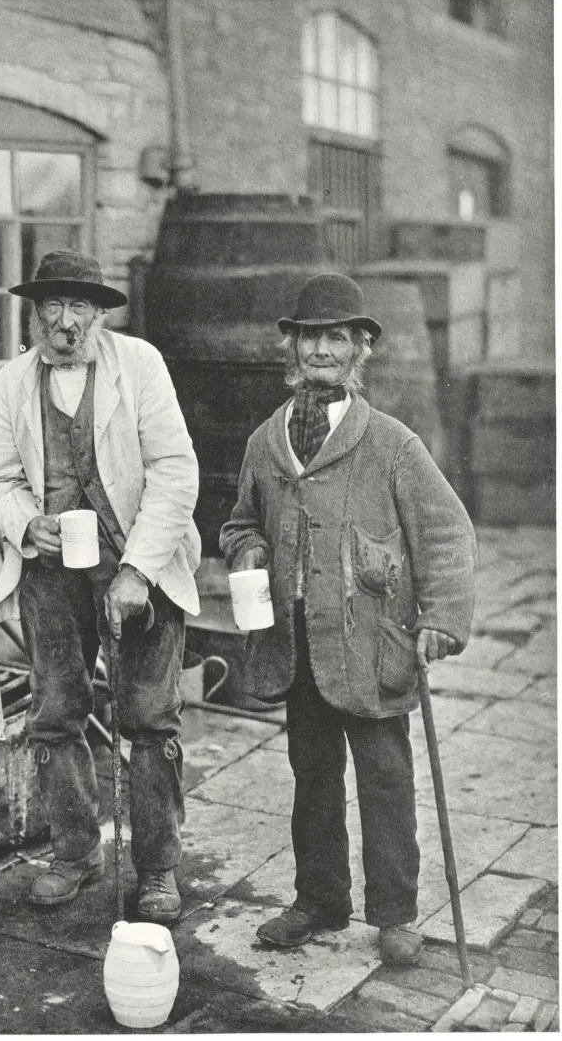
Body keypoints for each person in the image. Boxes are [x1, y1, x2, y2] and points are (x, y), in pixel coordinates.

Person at [219, 273, 476, 966]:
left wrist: (441, 617)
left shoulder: (390, 443)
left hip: (373, 644)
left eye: (338, 337)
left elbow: (448, 533)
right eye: (310, 337)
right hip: (298, 643)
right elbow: (240, 520)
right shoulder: (265, 443)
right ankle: (319, 898)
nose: (323, 349)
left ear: (359, 349)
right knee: (312, 771)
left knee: (386, 777)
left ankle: (395, 912)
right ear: (292, 347)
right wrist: (248, 547)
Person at [0, 250, 201, 923]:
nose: (65, 320)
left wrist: (136, 570)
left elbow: (175, 471)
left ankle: (158, 864)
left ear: (100, 314)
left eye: (79, 306)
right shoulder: (10, 384)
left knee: (148, 716)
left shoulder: (140, 366)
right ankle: (76, 849)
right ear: (35, 312)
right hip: (53, 576)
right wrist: (27, 525)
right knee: (54, 712)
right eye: (52, 306)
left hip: (143, 562)